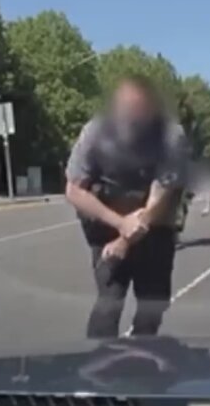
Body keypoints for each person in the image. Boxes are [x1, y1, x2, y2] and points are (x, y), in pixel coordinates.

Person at [64, 76, 190, 338]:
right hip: (105, 226)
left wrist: (126, 238)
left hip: (155, 225)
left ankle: (143, 362)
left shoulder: (170, 135)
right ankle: (98, 365)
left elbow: (163, 189)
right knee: (110, 300)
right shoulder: (95, 132)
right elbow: (74, 189)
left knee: (153, 305)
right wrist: (120, 225)